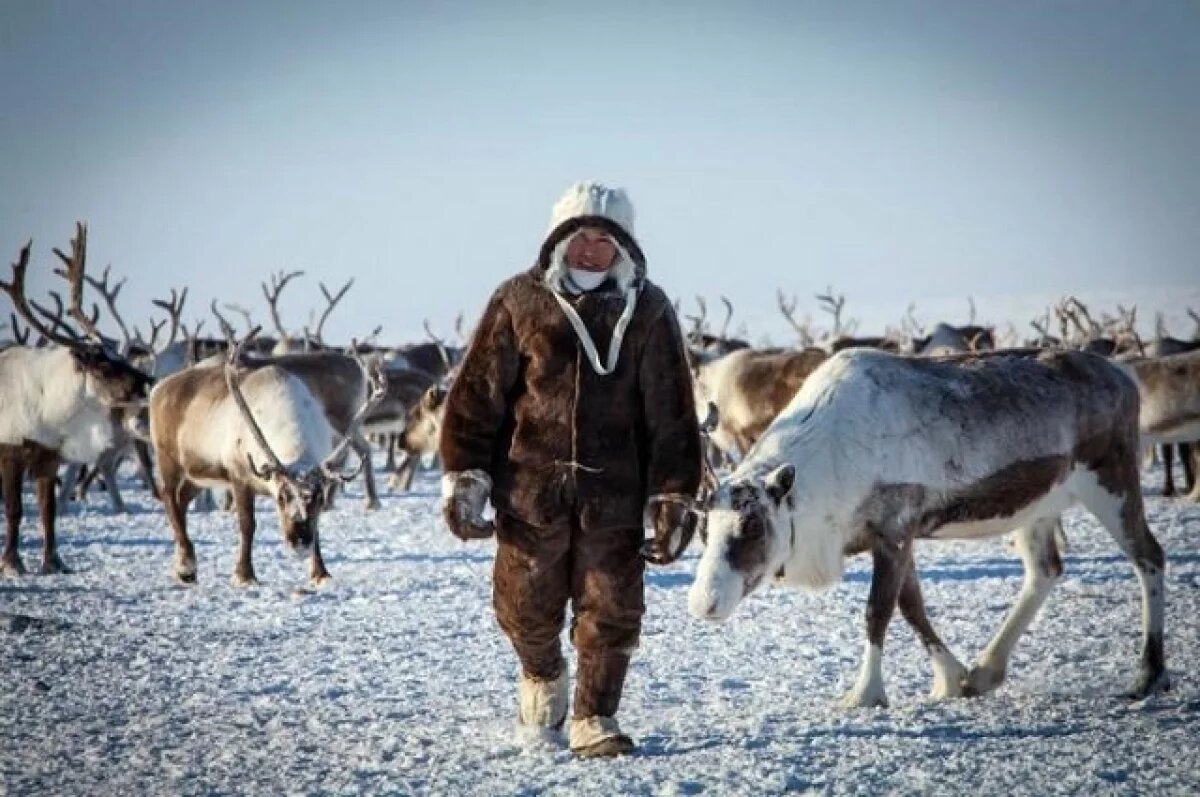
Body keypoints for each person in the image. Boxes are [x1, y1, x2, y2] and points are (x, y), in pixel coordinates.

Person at [439, 181, 702, 757]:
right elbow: (478, 394)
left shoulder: (649, 309)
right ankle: (541, 673)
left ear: (623, 247)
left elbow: (672, 410)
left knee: (612, 608)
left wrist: (675, 493)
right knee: (523, 606)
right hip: (530, 491)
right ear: (558, 240)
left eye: (603, 240)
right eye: (579, 238)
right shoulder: (518, 300)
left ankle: (594, 717)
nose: (590, 251)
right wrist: (465, 474)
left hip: (617, 497)